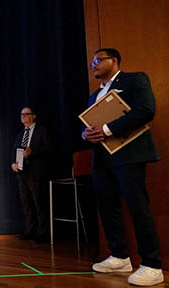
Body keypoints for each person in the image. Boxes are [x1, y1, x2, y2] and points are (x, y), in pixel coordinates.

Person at [83, 48, 163, 286]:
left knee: (138, 206)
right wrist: (86, 133)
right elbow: (91, 124)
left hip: (128, 153)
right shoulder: (94, 94)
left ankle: (152, 264)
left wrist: (107, 129)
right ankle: (119, 256)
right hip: (102, 157)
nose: (93, 65)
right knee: (107, 207)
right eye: (92, 63)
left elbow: (146, 110)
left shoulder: (135, 79)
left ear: (114, 60)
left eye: (97, 61)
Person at [11, 106, 51, 243]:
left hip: (36, 172)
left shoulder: (42, 131)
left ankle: (42, 234)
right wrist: (12, 164)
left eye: (26, 114)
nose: (23, 116)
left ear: (34, 116)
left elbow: (48, 148)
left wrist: (32, 152)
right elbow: (14, 151)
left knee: (39, 203)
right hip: (21, 173)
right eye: (21, 114)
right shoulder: (20, 134)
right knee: (26, 204)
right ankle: (29, 231)